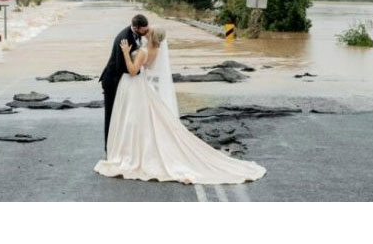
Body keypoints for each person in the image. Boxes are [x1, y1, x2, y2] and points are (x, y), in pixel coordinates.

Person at [94, 27, 267, 184]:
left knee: (134, 119)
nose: (147, 32)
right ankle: (136, 149)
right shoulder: (157, 50)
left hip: (137, 86)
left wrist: (125, 52)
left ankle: (131, 153)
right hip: (143, 86)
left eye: (149, 32)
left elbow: (133, 70)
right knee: (146, 120)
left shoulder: (144, 51)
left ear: (152, 36)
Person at [99, 14, 150, 152]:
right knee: (111, 115)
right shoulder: (124, 38)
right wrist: (138, 71)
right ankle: (109, 148)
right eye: (144, 30)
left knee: (121, 114)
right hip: (112, 80)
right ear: (135, 27)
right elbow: (120, 66)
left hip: (123, 80)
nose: (147, 32)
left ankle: (120, 144)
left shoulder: (137, 34)